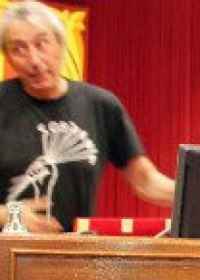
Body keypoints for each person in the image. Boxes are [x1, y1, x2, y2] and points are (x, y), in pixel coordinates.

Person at [0, 0, 175, 233]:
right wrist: (7, 215)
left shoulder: (100, 105)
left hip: (75, 256)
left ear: (61, 44)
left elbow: (145, 181)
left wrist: (199, 195)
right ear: (8, 57)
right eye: (18, 49)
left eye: (42, 44)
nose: (34, 60)